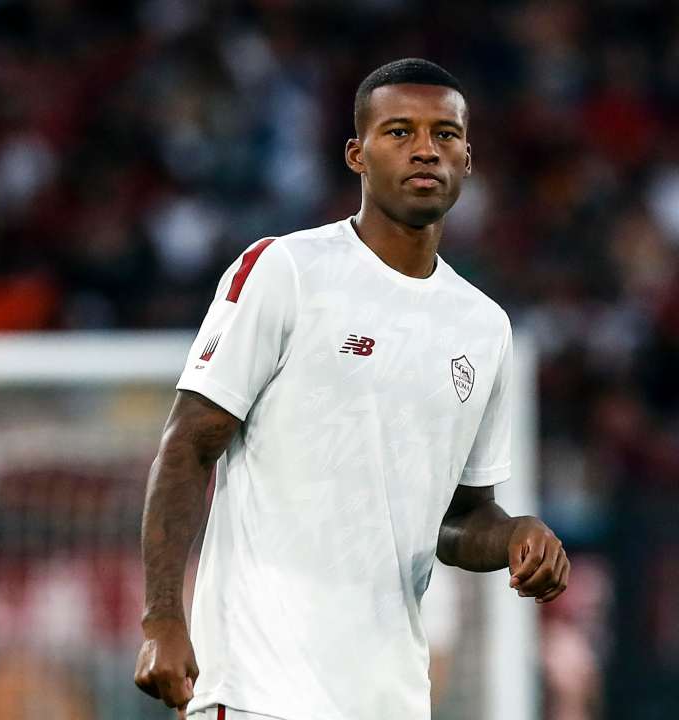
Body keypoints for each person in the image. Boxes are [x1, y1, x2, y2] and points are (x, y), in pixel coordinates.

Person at [133, 58, 571, 720]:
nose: (425, 149)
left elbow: (458, 518)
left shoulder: (484, 328)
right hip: (258, 690)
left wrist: (514, 535)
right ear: (356, 154)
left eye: (445, 134)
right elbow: (189, 445)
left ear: (467, 159)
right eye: (399, 131)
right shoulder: (286, 270)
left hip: (390, 699)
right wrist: (162, 617)